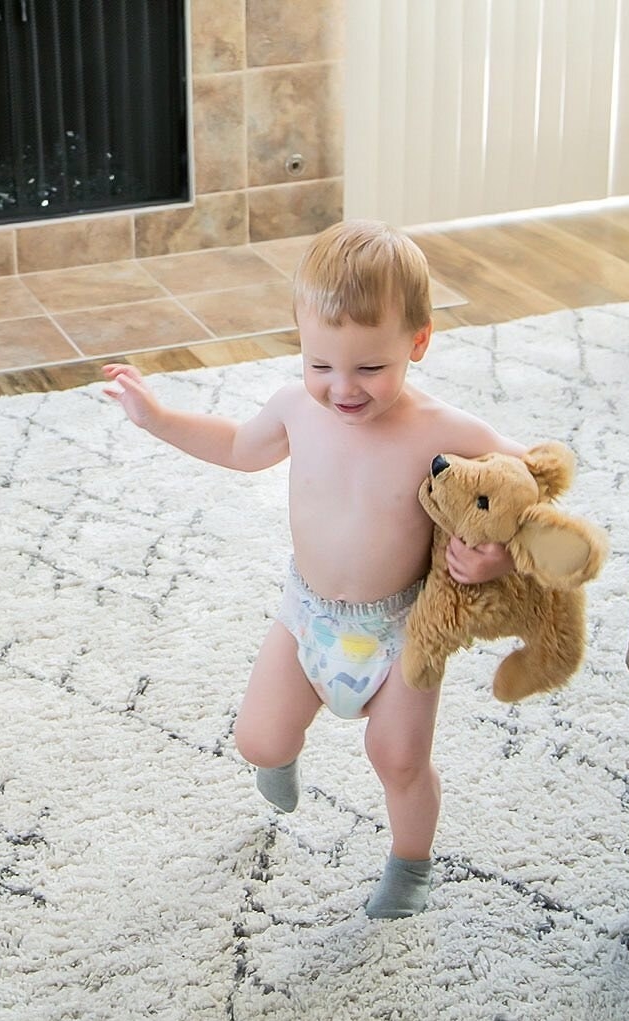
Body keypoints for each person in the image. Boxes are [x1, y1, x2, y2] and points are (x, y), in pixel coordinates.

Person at [102, 219, 525, 919]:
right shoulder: (296, 408)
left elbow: (526, 479)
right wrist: (157, 418)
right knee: (257, 739)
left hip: (404, 628)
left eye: (369, 368)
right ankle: (281, 758)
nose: (343, 389)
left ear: (418, 342)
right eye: (321, 364)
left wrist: (493, 553)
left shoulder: (440, 429)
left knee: (398, 758)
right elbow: (239, 447)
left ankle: (412, 863)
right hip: (309, 617)